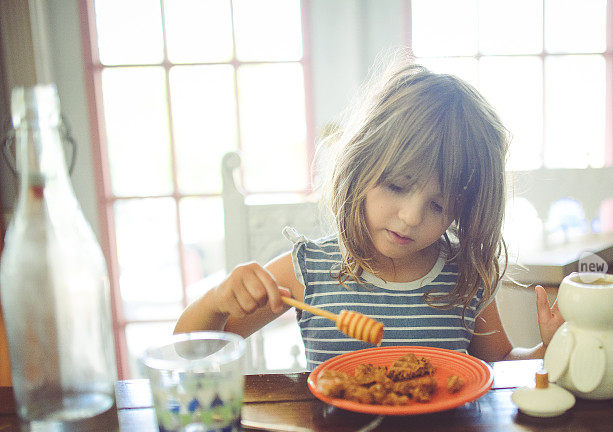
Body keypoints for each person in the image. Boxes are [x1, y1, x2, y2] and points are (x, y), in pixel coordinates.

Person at [175, 62, 564, 368]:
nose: (411, 217)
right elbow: (189, 350)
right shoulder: (308, 270)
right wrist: (216, 301)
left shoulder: (465, 279)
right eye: (396, 185)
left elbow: (497, 369)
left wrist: (548, 349)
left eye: (438, 205)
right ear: (361, 166)